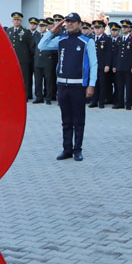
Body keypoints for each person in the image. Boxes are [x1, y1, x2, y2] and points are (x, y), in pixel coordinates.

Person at [38, 13, 98, 162]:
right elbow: (42, 45)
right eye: (68, 22)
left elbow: (94, 64)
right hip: (63, 85)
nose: (69, 24)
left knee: (78, 120)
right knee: (66, 120)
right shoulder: (61, 39)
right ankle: (67, 149)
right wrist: (53, 30)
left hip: (78, 86)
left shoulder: (86, 41)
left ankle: (77, 149)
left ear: (79, 24)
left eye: (73, 22)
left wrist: (91, 85)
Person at [7, 12, 34, 101]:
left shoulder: (25, 32)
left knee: (24, 79)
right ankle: (12, 94)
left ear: (21, 21)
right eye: (15, 20)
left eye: (18, 20)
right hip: (12, 60)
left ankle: (24, 96)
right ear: (12, 20)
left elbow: (30, 46)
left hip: (23, 60)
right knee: (12, 78)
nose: (16, 21)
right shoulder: (9, 31)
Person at [112, 19, 132, 110]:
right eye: (123, 27)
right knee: (119, 86)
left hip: (128, 67)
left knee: (129, 86)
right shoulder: (119, 39)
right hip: (119, 66)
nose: (124, 29)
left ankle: (128, 103)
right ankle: (120, 103)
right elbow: (116, 54)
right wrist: (114, 65)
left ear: (129, 28)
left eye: (126, 27)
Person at [88, 19, 112, 109]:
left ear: (103, 29)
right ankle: (94, 101)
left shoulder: (107, 39)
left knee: (102, 84)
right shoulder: (91, 38)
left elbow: (109, 53)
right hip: (93, 65)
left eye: (99, 28)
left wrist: (107, 65)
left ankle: (101, 101)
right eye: (95, 28)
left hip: (102, 65)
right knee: (94, 83)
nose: (97, 30)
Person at [32, 19, 56, 104]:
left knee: (48, 81)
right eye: (40, 26)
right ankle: (39, 97)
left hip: (47, 61)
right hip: (38, 61)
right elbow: (33, 47)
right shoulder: (36, 36)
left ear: (46, 27)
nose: (41, 28)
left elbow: (54, 48)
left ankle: (48, 98)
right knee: (38, 81)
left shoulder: (50, 36)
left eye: (43, 26)